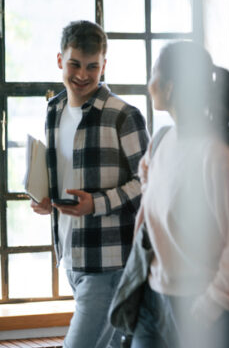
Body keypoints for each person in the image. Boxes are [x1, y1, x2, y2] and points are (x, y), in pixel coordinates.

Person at [129, 41, 229, 348]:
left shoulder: (219, 157)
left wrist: (205, 310)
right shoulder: (162, 140)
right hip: (156, 299)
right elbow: (154, 199)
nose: (149, 85)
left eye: (153, 75)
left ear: (170, 87)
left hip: (211, 310)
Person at [30, 20, 149, 348]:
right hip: (69, 254)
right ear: (60, 61)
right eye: (75, 65)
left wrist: (97, 203)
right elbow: (65, 174)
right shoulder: (53, 111)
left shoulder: (124, 115)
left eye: (92, 67)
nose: (83, 75)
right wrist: (46, 200)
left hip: (108, 261)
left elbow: (150, 182)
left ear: (104, 65)